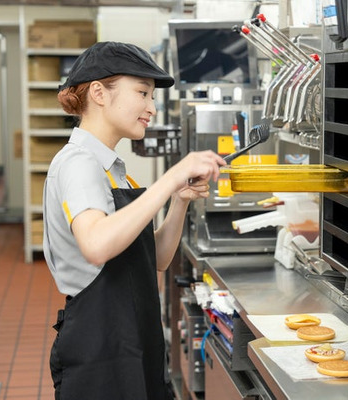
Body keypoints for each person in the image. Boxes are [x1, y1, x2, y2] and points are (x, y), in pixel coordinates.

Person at [43, 41, 226, 400]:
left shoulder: (114, 171)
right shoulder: (78, 163)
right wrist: (169, 179)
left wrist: (178, 201)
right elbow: (96, 245)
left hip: (131, 341)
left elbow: (154, 258)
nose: (151, 108)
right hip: (100, 353)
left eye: (152, 96)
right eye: (142, 93)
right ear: (98, 92)